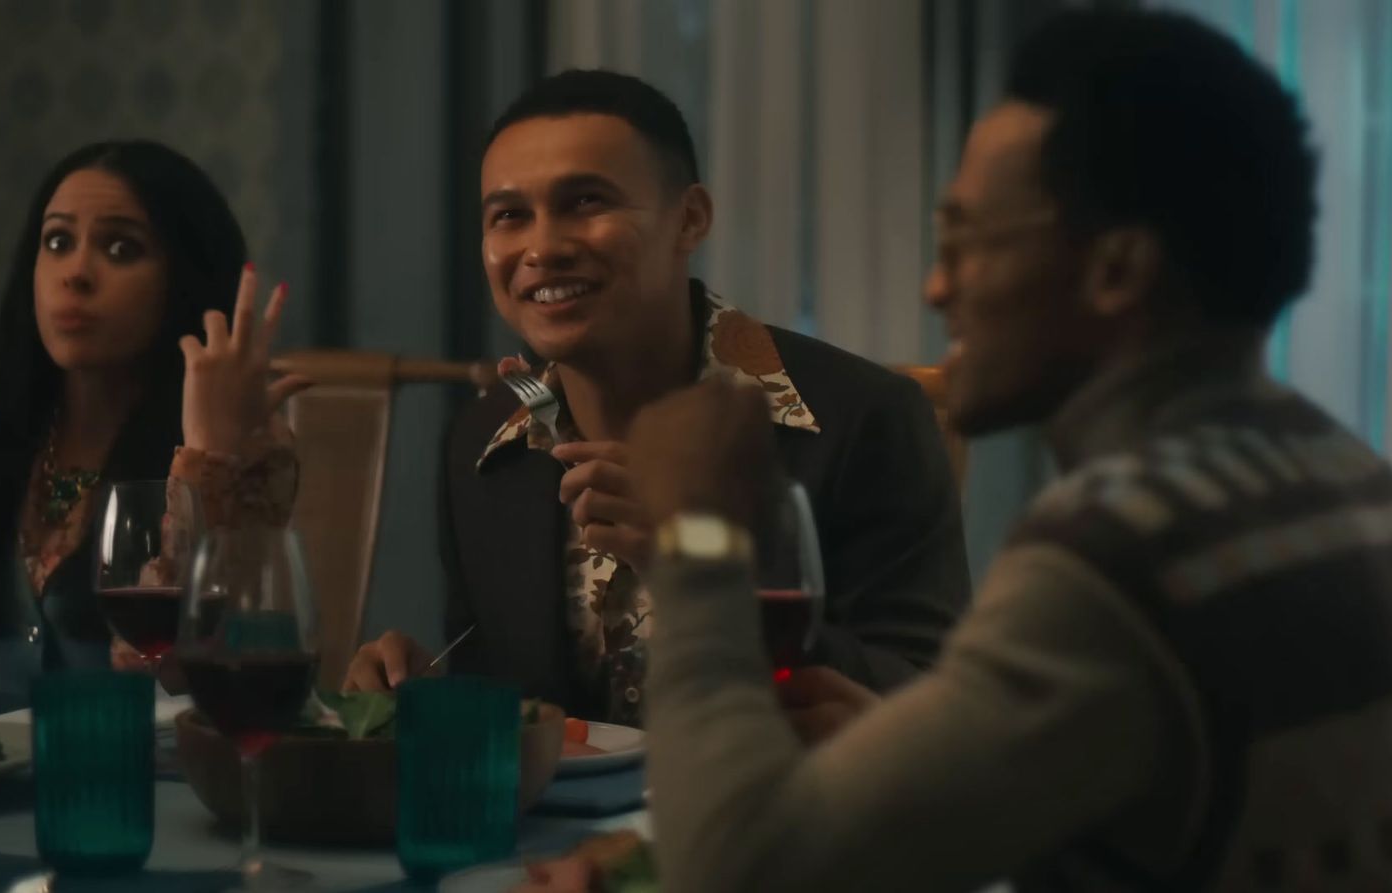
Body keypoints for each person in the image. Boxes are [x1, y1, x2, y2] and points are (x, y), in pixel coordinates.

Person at [526, 9, 1392, 892]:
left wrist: (700, 538)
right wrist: (894, 749)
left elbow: (740, 868)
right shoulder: (1335, 466)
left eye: (966, 237)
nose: (935, 286)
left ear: (1117, 267)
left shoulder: (1124, 546)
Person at [345, 70, 971, 723]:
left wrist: (702, 572)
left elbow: (929, 705)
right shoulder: (484, 444)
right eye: (509, 216)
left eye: (586, 202)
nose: (542, 248)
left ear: (690, 219)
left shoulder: (864, 419)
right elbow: (510, 694)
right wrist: (426, 689)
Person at [0, 140, 308, 696]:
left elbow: (186, 677)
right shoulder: (0, 428)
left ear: (183, 277)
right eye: (57, 241)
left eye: (121, 249)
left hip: (144, 770)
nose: (75, 273)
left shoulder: (241, 451)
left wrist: (210, 457)